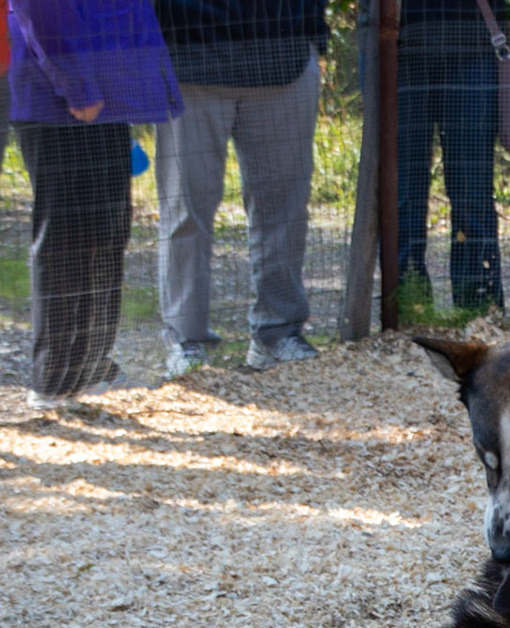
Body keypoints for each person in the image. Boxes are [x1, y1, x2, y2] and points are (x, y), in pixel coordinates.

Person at [9, 0, 180, 411]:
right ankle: (54, 379)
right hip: (64, 100)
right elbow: (40, 9)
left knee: (106, 229)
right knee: (68, 237)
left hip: (106, 90)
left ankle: (91, 367)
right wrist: (77, 83)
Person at [151, 0, 328, 376]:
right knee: (185, 211)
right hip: (188, 59)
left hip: (283, 58)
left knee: (285, 207)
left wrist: (313, 38)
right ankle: (186, 343)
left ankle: (277, 334)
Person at [396, 0, 502, 316]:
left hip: (472, 42)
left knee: (473, 192)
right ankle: (408, 307)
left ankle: (478, 308)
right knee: (402, 192)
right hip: (395, 48)